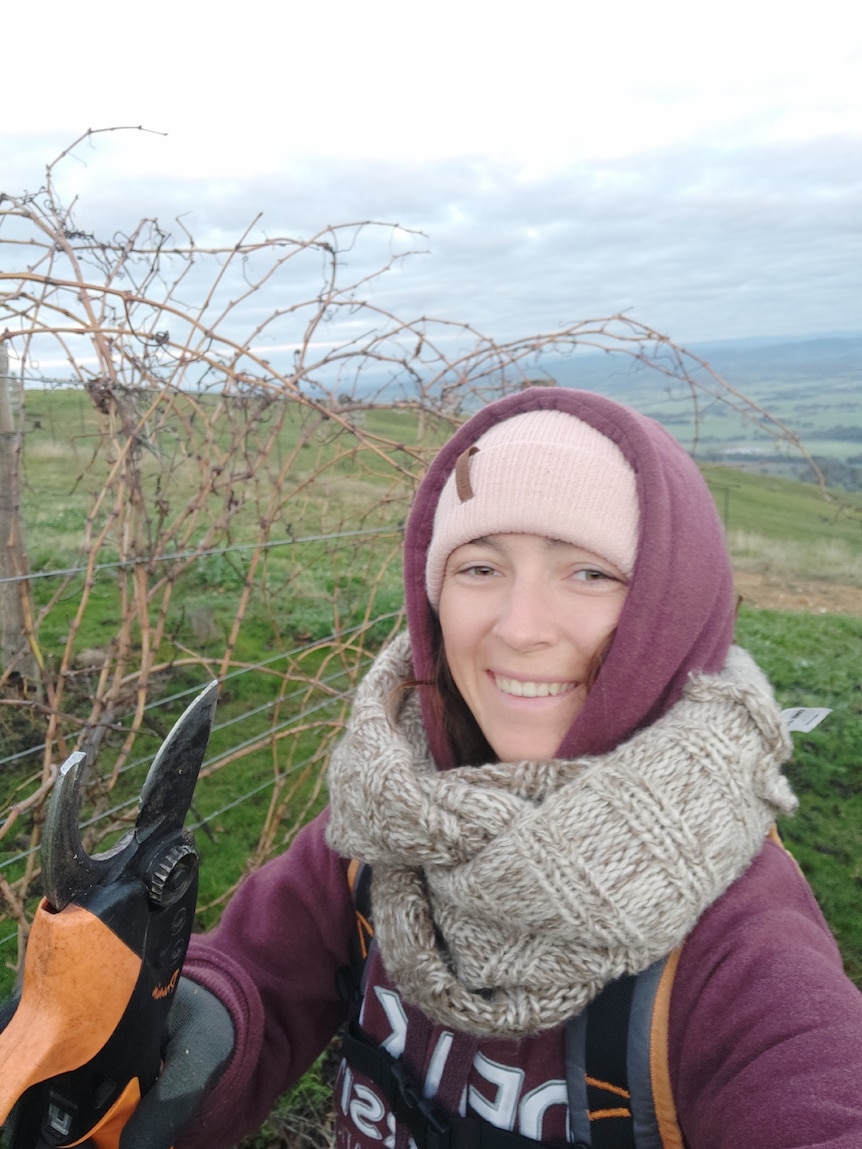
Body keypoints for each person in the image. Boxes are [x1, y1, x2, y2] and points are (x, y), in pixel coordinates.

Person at [121, 388, 862, 1147]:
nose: (520, 629)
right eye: (480, 568)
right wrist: (178, 1023)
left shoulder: (741, 941)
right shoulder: (395, 816)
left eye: (589, 573)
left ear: (669, 611)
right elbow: (256, 973)